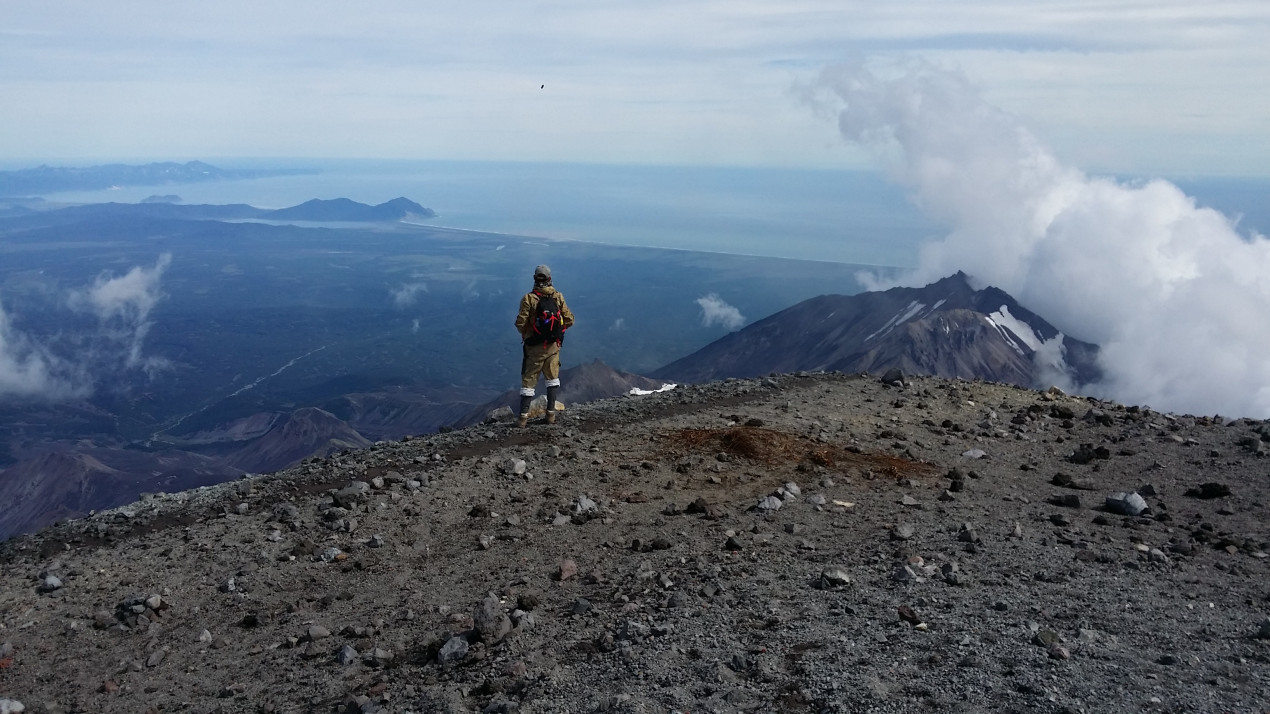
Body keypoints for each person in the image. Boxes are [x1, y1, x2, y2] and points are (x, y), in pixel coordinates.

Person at [514, 264, 574, 426]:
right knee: (552, 379)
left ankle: (522, 418)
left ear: (535, 278)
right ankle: (550, 415)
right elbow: (569, 320)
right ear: (550, 279)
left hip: (533, 348)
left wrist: (529, 333)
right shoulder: (558, 297)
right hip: (553, 347)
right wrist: (555, 332)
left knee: (528, 381)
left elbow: (520, 323)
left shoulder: (529, 299)